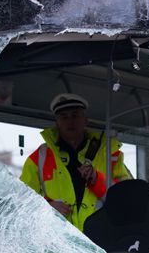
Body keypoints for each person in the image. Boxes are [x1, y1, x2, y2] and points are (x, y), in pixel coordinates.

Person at [20, 92, 132, 231]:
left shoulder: (110, 153)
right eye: (64, 117)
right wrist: (46, 208)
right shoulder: (39, 157)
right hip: (60, 240)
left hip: (101, 236)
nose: (70, 121)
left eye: (75, 115)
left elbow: (127, 200)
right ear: (57, 123)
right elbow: (22, 201)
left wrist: (97, 180)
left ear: (85, 120)